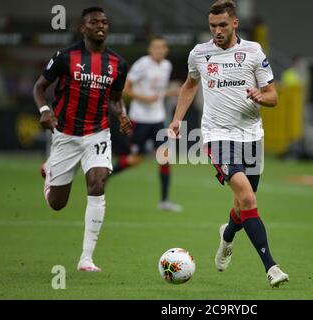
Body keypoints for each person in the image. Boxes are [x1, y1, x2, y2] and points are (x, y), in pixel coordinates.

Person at [168, 0, 289, 287]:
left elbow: (274, 96)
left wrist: (260, 95)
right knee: (248, 199)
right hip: (216, 136)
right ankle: (271, 268)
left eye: (222, 25)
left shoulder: (253, 52)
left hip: (251, 137)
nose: (217, 31)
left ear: (235, 23)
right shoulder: (200, 53)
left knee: (242, 204)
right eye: (212, 26)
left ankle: (227, 236)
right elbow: (190, 85)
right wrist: (177, 120)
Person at [33, 7, 132, 272]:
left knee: (98, 182)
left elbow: (114, 98)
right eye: (94, 22)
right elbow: (39, 87)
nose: (101, 26)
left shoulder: (118, 64)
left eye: (105, 22)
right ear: (82, 27)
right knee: (57, 204)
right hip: (65, 134)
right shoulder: (66, 57)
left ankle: (86, 258)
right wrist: (45, 110)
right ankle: (49, 169)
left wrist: (121, 114)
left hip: (97, 133)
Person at [112, 36, 182, 212]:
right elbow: (125, 90)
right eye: (155, 47)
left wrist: (170, 93)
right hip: (139, 118)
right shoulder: (141, 64)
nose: (159, 50)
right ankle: (104, 175)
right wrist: (145, 98)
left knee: (164, 158)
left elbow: (156, 93)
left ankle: (164, 201)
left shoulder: (166, 66)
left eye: (162, 47)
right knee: (135, 160)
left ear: (165, 50)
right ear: (150, 49)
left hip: (157, 118)